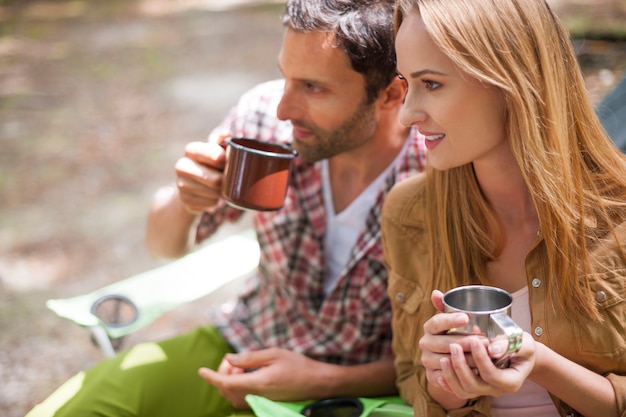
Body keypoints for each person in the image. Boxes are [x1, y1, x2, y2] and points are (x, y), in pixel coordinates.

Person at [27, 0, 426, 416]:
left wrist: (322, 379)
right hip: (246, 343)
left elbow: (441, 356)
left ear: (391, 94)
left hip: (366, 391)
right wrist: (186, 201)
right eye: (285, 77)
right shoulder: (263, 124)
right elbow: (164, 246)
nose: (283, 109)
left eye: (313, 87)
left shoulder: (437, 172)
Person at [381, 0, 626, 416]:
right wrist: (447, 386)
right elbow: (410, 382)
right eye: (406, 82)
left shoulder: (618, 209)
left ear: (511, 81)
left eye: (432, 84)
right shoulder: (408, 214)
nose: (407, 114)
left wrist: (542, 364)